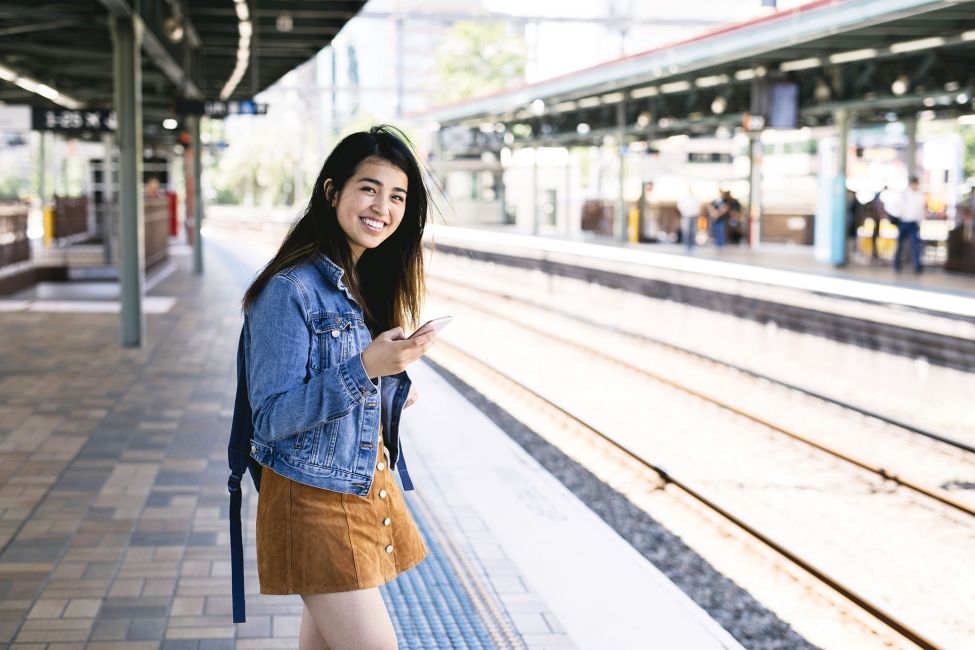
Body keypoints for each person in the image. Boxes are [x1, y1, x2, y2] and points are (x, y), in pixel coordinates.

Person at [236, 126, 436, 649]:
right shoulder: (290, 289)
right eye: (369, 188)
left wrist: (388, 382)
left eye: (397, 196)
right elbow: (272, 418)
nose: (383, 207)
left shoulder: (359, 279)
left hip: (360, 487)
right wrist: (366, 369)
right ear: (332, 192)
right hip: (312, 500)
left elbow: (342, 385)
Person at [894, 176, 925, 273]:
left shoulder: (919, 195)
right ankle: (897, 264)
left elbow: (920, 210)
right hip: (903, 222)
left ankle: (917, 265)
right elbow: (897, 206)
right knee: (900, 244)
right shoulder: (904, 194)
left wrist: (920, 222)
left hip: (913, 223)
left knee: (915, 245)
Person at [677, 185, 701, 251]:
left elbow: (698, 206)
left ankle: (693, 245)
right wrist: (684, 211)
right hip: (686, 215)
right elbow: (679, 206)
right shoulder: (684, 197)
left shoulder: (695, 197)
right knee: (686, 231)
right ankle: (686, 245)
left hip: (694, 215)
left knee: (693, 231)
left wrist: (696, 212)